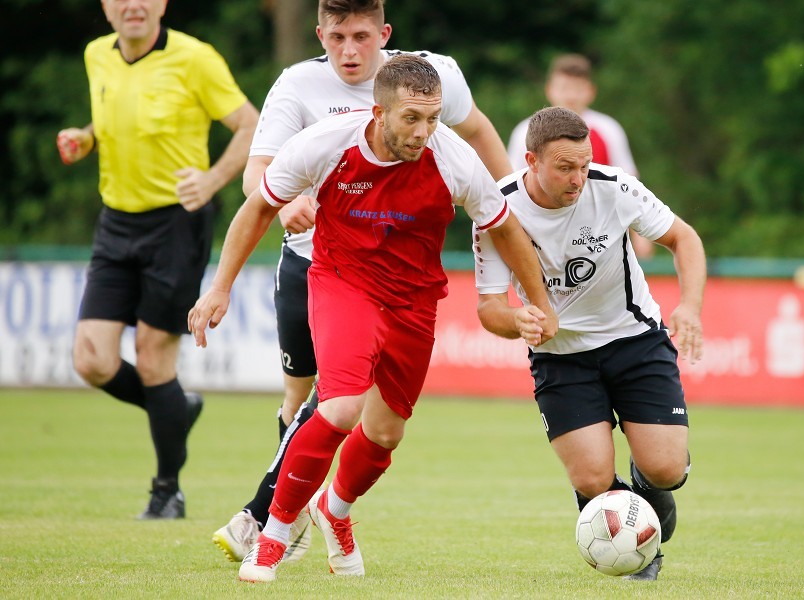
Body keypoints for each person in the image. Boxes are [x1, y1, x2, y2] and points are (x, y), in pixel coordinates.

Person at [189, 54, 557, 582]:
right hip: (343, 283)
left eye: (432, 118)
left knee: (385, 434)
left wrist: (537, 303)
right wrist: (220, 287)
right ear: (378, 112)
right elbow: (257, 208)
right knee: (339, 407)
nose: (424, 131)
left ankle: (334, 511)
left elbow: (504, 227)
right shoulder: (326, 143)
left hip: (414, 301)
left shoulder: (453, 158)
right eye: (412, 118)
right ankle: (271, 537)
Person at [477, 107, 705, 580]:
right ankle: (641, 544)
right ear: (531, 160)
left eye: (583, 165)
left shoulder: (613, 186)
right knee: (591, 479)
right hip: (561, 358)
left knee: (666, 470)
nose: (578, 178)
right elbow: (488, 308)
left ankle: (644, 484)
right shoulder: (497, 208)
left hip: (634, 339)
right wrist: (520, 320)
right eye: (564, 167)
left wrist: (689, 305)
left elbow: (684, 238)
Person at [57, 0, 259, 519]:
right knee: (91, 360)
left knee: (152, 357)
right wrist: (85, 137)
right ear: (105, 7)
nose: (133, 5)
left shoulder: (195, 58)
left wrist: (212, 179)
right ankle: (174, 405)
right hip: (116, 223)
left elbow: (249, 125)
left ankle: (167, 491)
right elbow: (115, 118)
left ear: (162, 4)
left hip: (176, 224)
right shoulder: (96, 55)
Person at [507, 53, 655, 258]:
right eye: (564, 88)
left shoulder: (609, 130)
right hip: (544, 239)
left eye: (578, 89)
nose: (571, 96)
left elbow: (629, 186)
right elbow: (514, 189)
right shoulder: (525, 132)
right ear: (549, 90)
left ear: (591, 92)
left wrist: (641, 236)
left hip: (600, 238)